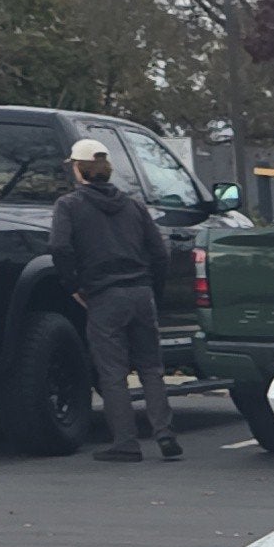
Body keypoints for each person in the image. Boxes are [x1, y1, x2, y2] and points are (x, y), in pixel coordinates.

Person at [51, 139, 181, 461]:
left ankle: (126, 442)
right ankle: (164, 433)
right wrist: (154, 290)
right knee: (151, 368)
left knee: (113, 372)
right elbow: (159, 253)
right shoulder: (134, 206)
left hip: (103, 295)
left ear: (79, 170)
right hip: (140, 292)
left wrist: (74, 286)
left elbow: (60, 248)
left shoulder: (69, 206)